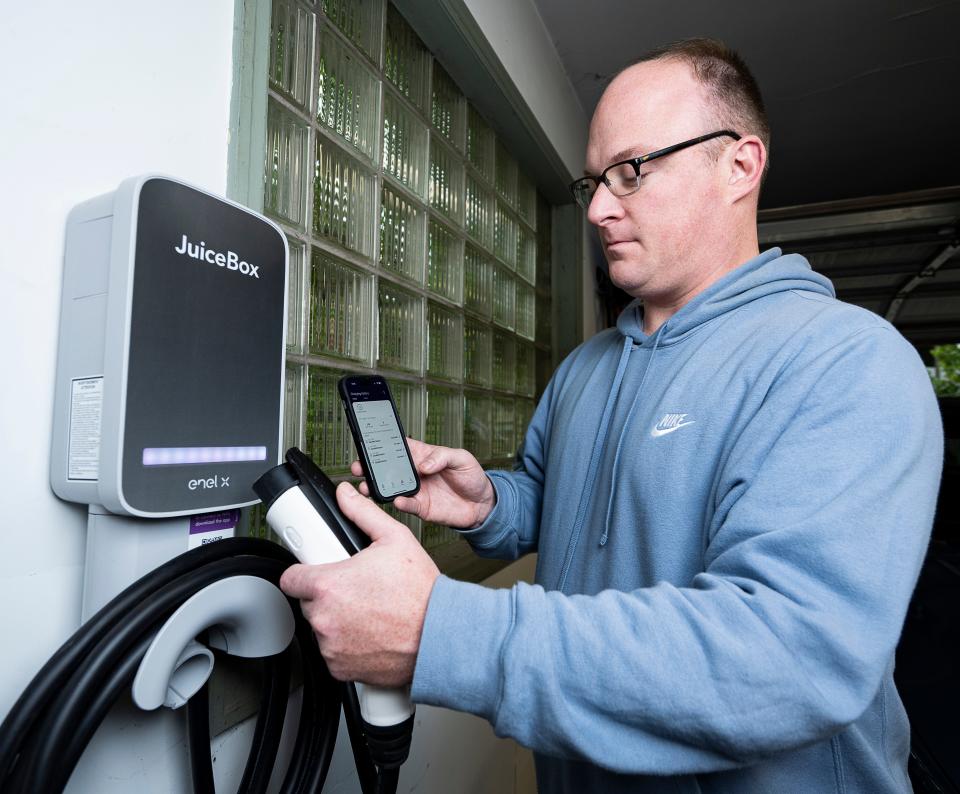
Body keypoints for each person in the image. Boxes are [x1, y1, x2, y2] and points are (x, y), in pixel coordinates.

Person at [281, 38, 943, 793]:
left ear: (740, 165)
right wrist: (493, 504)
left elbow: (789, 657)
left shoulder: (843, 360)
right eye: (592, 181)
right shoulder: (586, 369)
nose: (598, 208)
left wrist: (442, 632)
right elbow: (573, 507)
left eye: (632, 171)